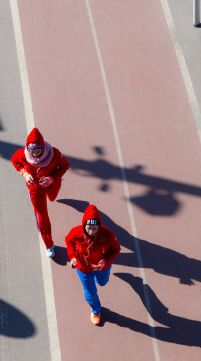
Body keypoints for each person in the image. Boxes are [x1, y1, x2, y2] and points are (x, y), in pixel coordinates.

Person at [12, 127, 70, 257]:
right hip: (35, 190)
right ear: (27, 149)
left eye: (38, 151)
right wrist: (24, 173)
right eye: (31, 151)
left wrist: (52, 179)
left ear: (43, 148)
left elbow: (65, 166)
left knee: (53, 198)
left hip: (52, 185)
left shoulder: (54, 153)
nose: (34, 155)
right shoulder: (22, 154)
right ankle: (49, 245)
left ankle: (53, 195)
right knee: (42, 216)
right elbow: (15, 161)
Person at [65, 205, 121, 325]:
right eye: (88, 228)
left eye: (94, 228)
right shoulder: (76, 233)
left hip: (102, 268)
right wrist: (73, 257)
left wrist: (105, 261)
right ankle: (96, 310)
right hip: (83, 269)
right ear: (84, 224)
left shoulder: (108, 235)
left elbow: (116, 249)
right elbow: (69, 242)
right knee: (90, 293)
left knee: (102, 282)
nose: (91, 232)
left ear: (99, 226)